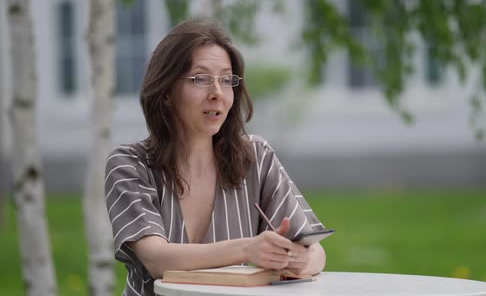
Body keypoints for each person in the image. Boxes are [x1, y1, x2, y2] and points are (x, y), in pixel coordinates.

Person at [104, 19, 326, 296]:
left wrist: (299, 259)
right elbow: (155, 259)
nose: (217, 94)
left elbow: (317, 252)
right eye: (201, 79)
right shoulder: (129, 165)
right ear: (166, 93)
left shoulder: (256, 158)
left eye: (225, 79)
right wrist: (248, 248)